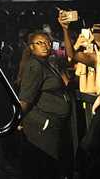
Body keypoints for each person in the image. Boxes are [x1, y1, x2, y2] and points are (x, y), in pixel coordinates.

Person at [17, 30, 73, 178]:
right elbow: (26, 98)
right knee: (44, 167)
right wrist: (16, 121)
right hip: (42, 126)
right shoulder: (35, 66)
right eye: (39, 43)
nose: (45, 46)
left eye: (47, 42)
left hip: (51, 126)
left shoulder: (47, 64)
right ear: (31, 47)